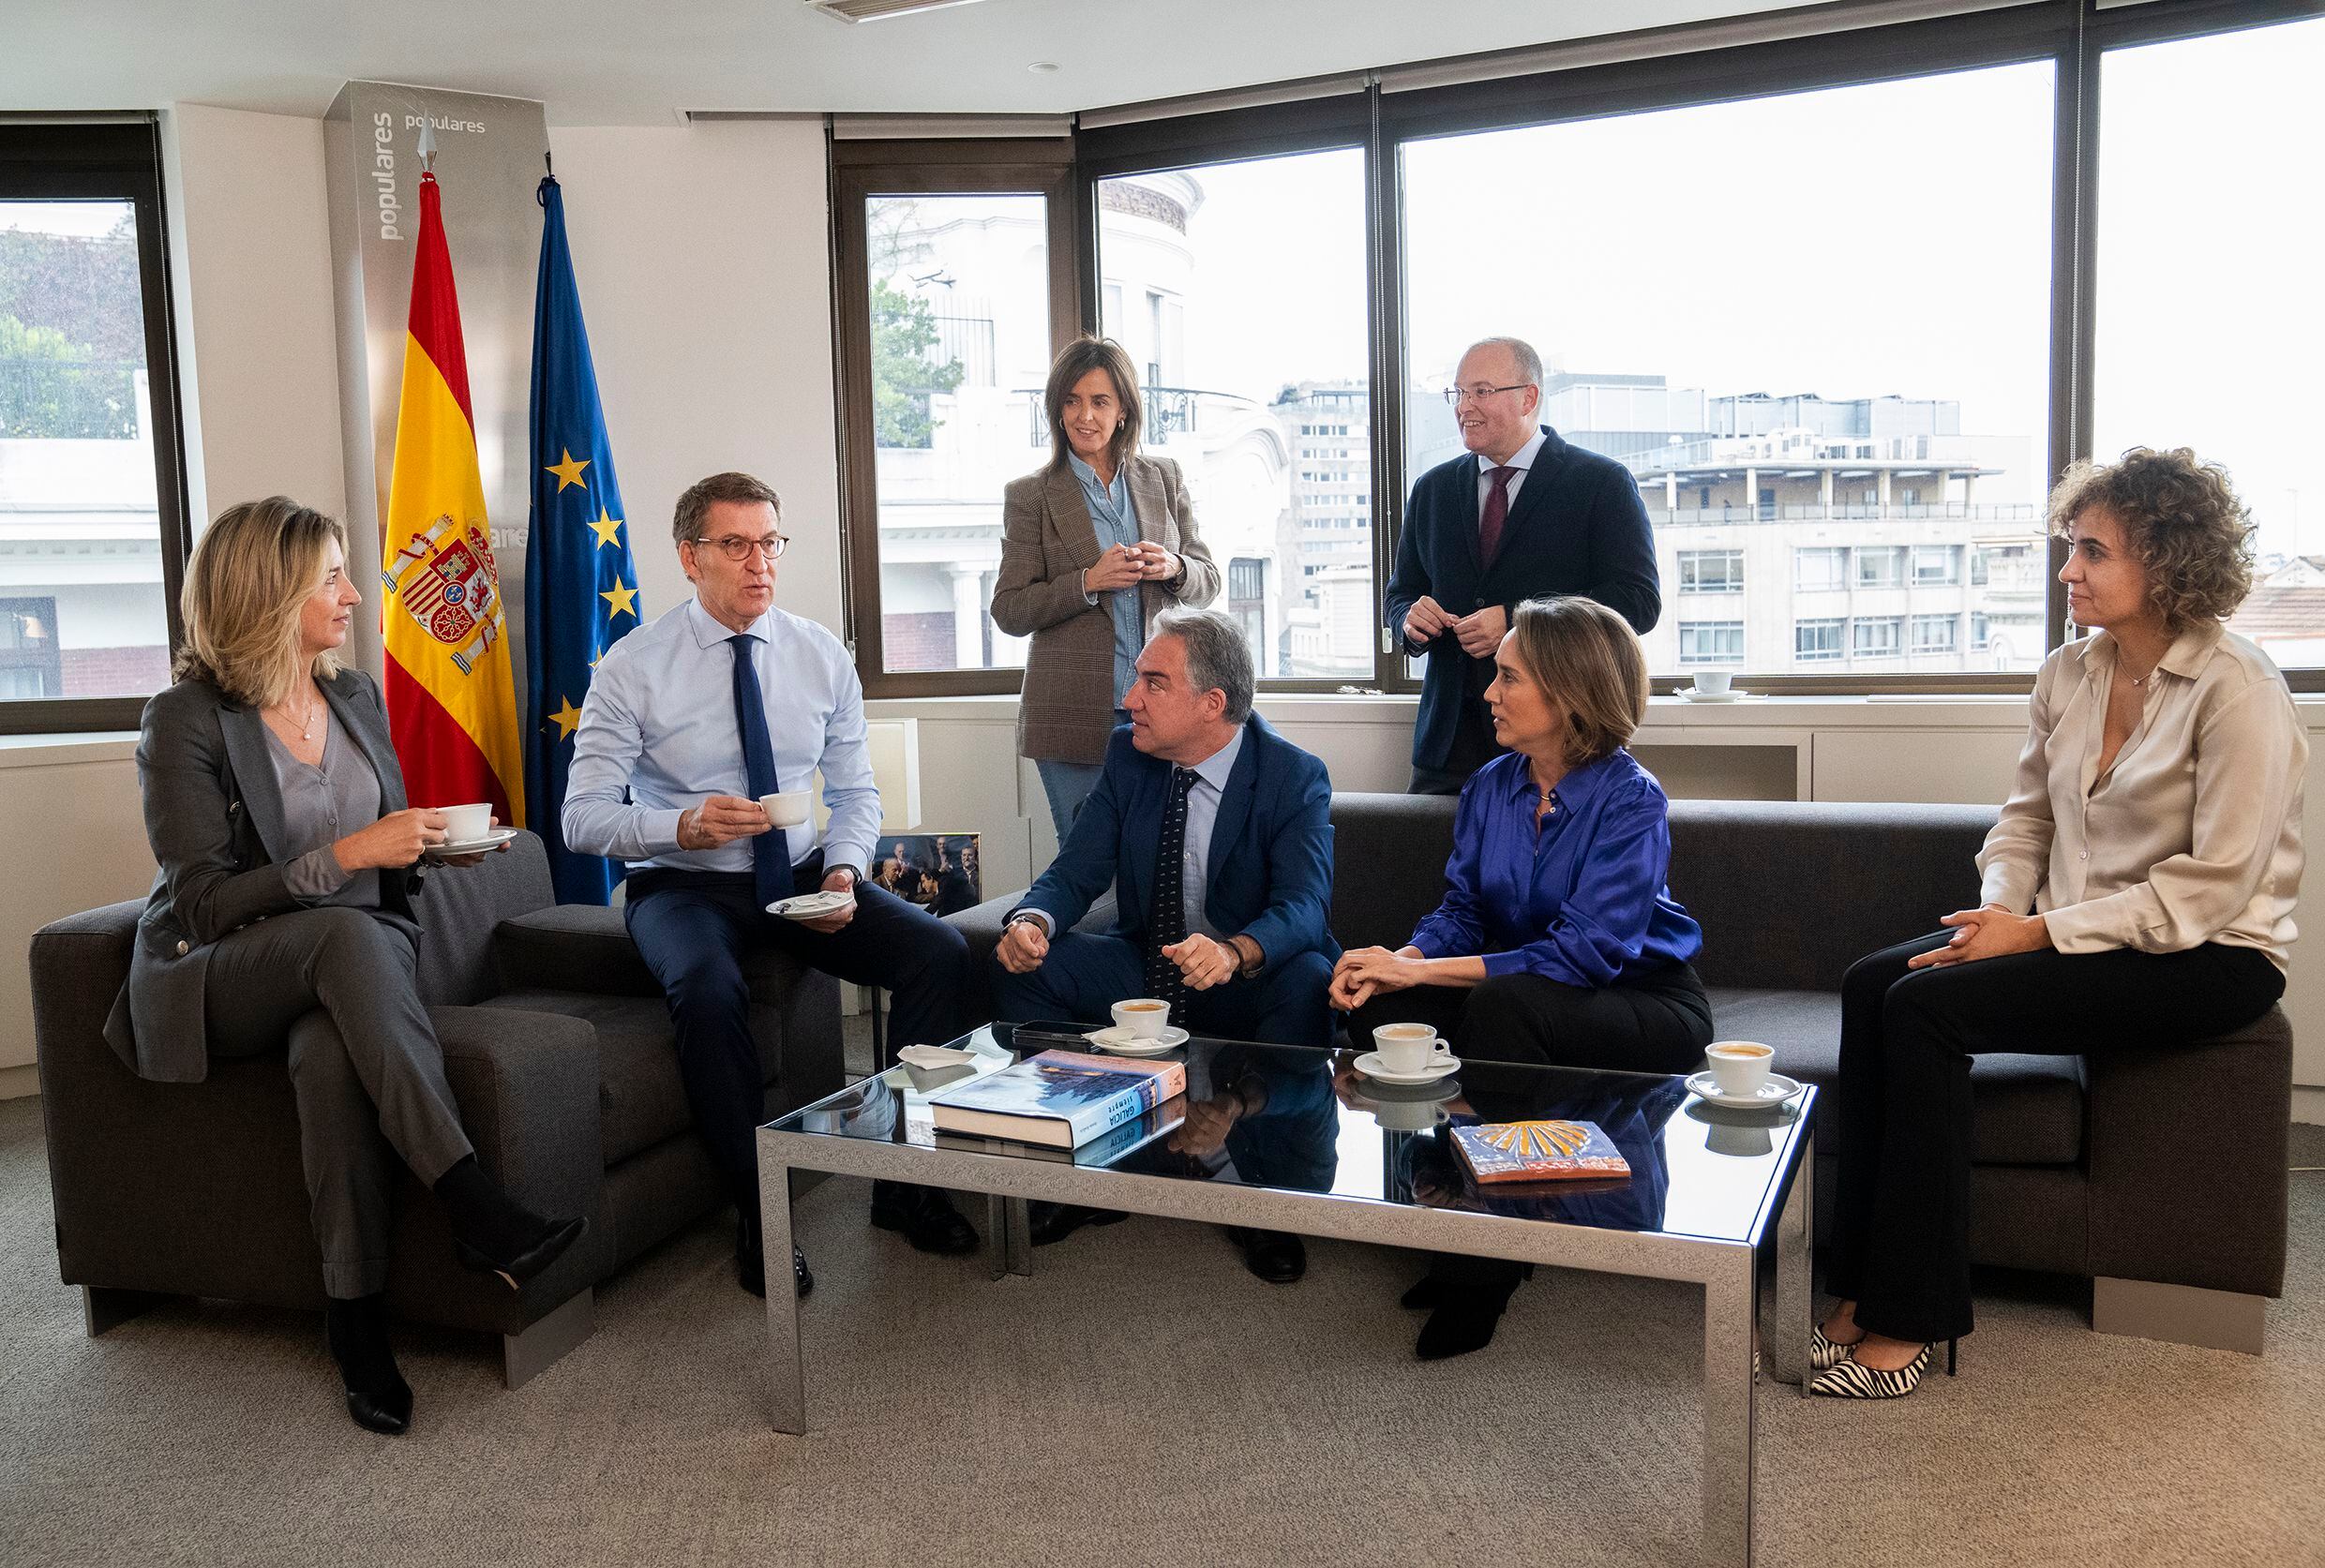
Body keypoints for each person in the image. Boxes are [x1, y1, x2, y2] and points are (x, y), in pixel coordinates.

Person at [1814, 448, 2306, 1399]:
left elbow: (2208, 887)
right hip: (2085, 931)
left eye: (2091, 550)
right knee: (1873, 979)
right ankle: (1864, 1280)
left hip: (2205, 954)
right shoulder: (2068, 671)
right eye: (2066, 546)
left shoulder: (2238, 691)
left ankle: (1910, 1321)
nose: (2065, 571)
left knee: (1924, 1010)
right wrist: (2000, 907)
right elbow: (2026, 817)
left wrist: (2034, 935)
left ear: (2163, 564)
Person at [103, 497, 585, 1437]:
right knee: (343, 937)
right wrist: (357, 855)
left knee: (330, 1054)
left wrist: (435, 845)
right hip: (222, 964)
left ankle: (354, 1318)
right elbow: (203, 901)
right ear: (268, 590)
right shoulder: (185, 719)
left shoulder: (354, 694)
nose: (355, 594)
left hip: (352, 958)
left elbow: (379, 844)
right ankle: (472, 1199)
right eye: (331, 575)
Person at [563, 471, 981, 1302]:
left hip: (796, 874)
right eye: (735, 544)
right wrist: (678, 826)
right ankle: (760, 1215)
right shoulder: (631, 667)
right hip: (680, 884)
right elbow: (580, 819)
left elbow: (858, 794)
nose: (759, 563)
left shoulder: (819, 654)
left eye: (770, 543)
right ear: (690, 557)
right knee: (709, 988)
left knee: (941, 953)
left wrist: (842, 870)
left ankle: (903, 1186)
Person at [991, 609, 1338, 1275]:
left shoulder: (1293, 775)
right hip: (1150, 971)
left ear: (1213, 704)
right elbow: (1078, 868)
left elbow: (1305, 905)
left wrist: (1235, 950)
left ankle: (1264, 1201)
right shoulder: (1129, 755)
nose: (1129, 699)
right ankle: (1081, 1167)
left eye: (1153, 682)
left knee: (1308, 978)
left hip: (1247, 981)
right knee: (1028, 966)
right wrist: (1032, 919)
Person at [1332, 595, 1713, 1081]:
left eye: (1508, 677)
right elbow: (1463, 912)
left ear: (1570, 693)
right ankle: (1462, 1126)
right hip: (1525, 987)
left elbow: (1581, 957)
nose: (1490, 694)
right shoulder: (1489, 784)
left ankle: (1492, 1137)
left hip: (1640, 994)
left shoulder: (1632, 799)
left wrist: (1420, 972)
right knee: (1380, 1009)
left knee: (1504, 1009)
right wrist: (1398, 962)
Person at [1383, 336, 1660, 795]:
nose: (1463, 406)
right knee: (1434, 869)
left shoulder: (1600, 483)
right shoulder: (1431, 489)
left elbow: (1638, 603)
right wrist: (1408, 621)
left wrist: (1516, 621)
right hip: (1447, 751)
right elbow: (1400, 594)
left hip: (1558, 747)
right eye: (1458, 393)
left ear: (1528, 397)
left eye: (1481, 391)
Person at [992, 336, 1222, 843]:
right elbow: (1008, 610)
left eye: (1099, 401)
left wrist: (1175, 567)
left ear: (1123, 411)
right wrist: (1086, 583)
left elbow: (1208, 579)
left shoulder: (1162, 477)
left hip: (1162, 708)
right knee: (1087, 864)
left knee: (1161, 858)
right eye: (1071, 401)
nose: (1084, 416)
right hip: (1071, 717)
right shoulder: (1030, 495)